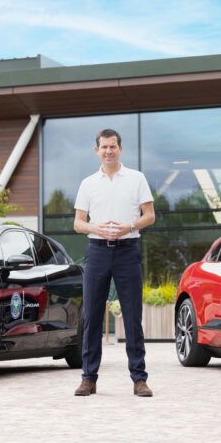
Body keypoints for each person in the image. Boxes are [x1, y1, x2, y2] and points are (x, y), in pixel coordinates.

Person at [73, 128, 155, 397]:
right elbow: (78, 223)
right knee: (92, 316)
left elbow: (150, 215)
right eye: (104, 147)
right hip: (96, 252)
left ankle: (139, 379)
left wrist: (129, 226)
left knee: (133, 317)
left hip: (127, 250)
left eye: (113, 146)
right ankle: (88, 378)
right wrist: (96, 228)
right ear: (96, 150)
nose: (108, 151)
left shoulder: (136, 178)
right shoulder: (88, 183)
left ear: (120, 149)